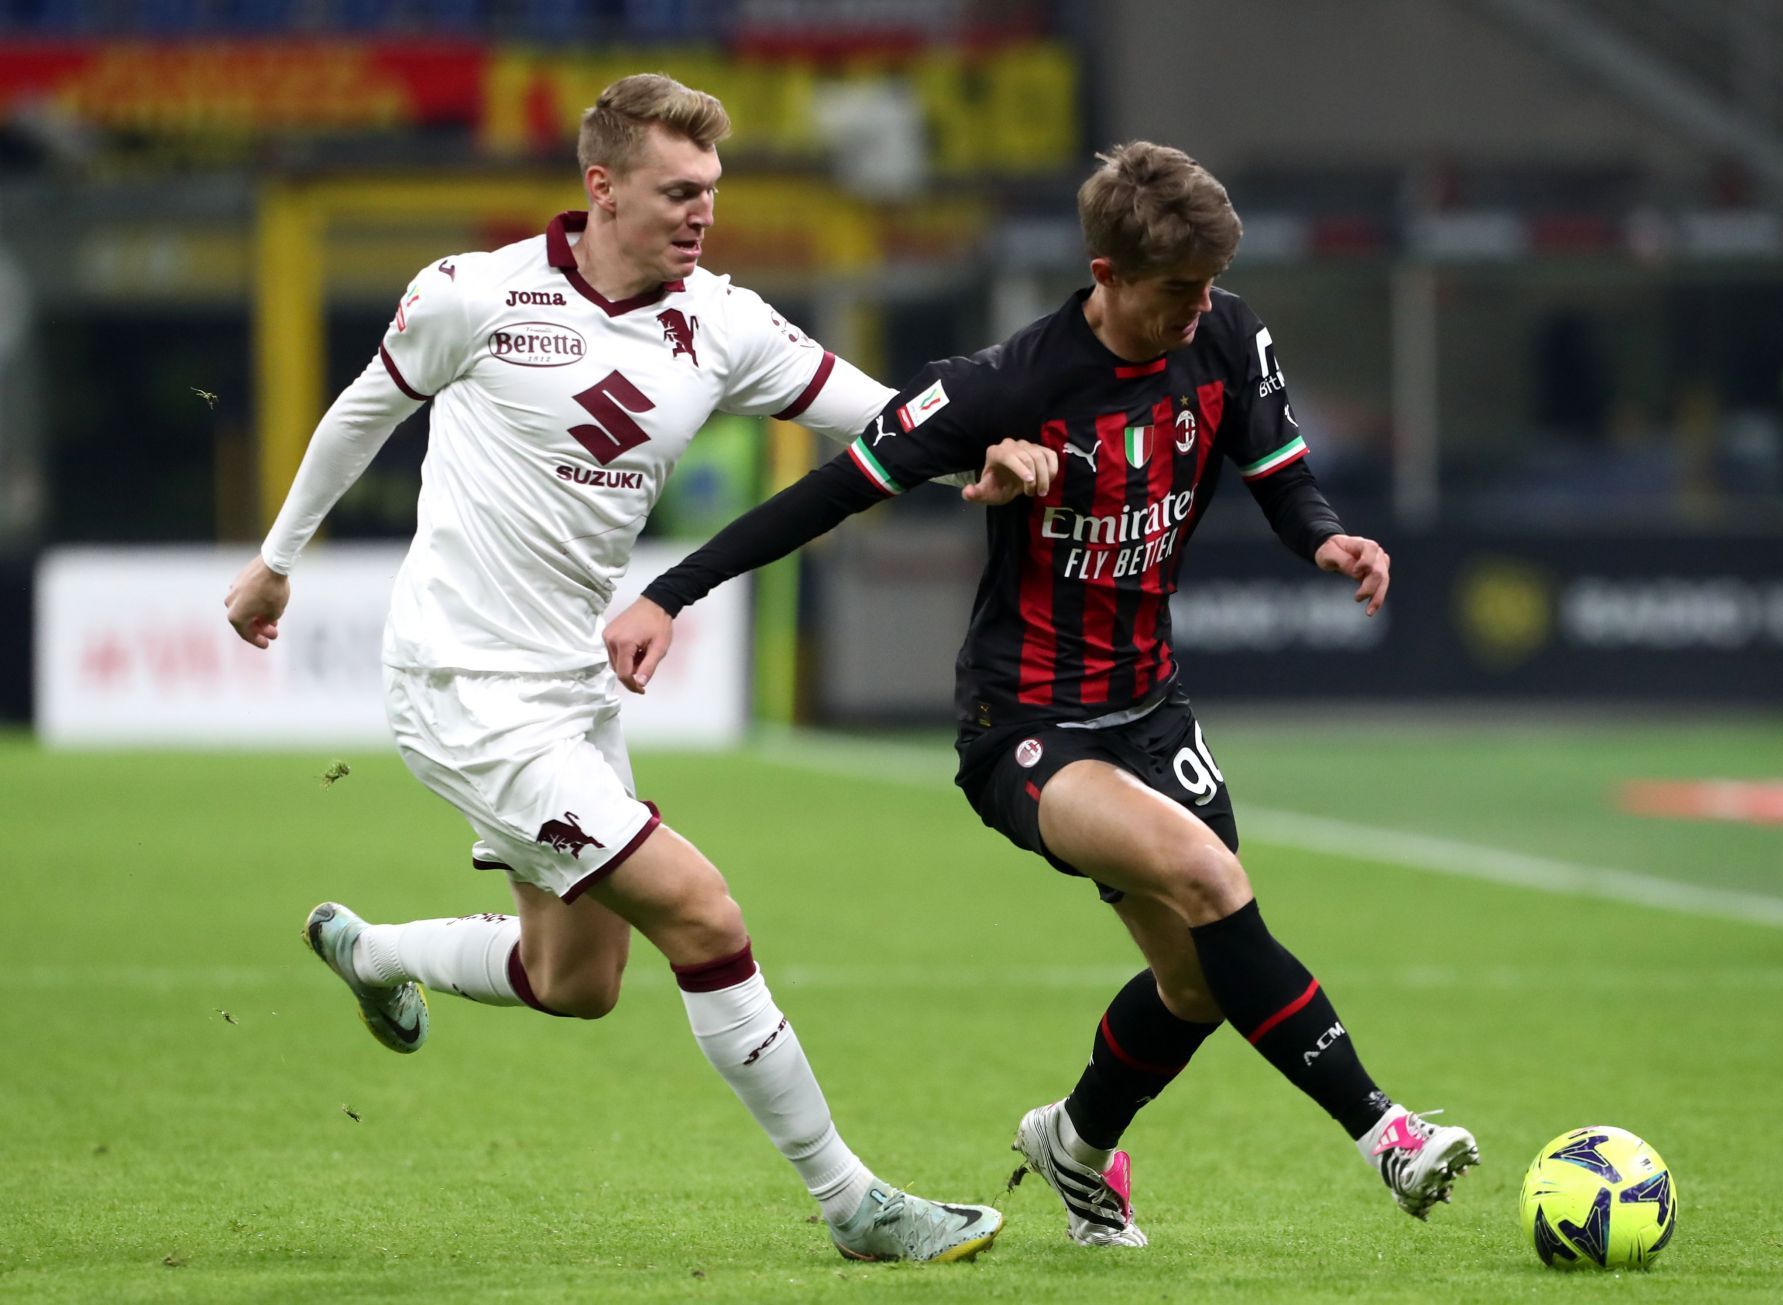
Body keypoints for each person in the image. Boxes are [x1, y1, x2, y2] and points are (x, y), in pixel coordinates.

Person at [223, 73, 1052, 1263]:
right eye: (678, 191)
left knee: (576, 981)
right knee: (702, 912)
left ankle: (373, 951)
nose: (701, 212)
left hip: (571, 685)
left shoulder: (726, 325)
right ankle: (854, 1204)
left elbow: (883, 417)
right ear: (601, 187)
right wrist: (275, 561)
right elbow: (362, 410)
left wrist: (995, 446)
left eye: (712, 191)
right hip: (463, 686)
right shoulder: (474, 294)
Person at [628, 141, 1480, 1247]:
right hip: (1026, 727)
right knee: (1208, 878)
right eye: (1178, 290)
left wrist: (1326, 540)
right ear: (1105, 274)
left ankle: (1074, 1147)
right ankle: (1390, 1136)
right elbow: (830, 494)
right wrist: (669, 592)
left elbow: (1279, 472)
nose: (1199, 309)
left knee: (1197, 987)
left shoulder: (1224, 331)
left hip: (1150, 710)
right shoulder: (1004, 385)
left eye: (1210, 285)